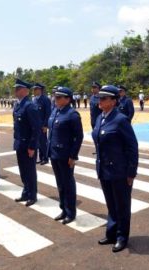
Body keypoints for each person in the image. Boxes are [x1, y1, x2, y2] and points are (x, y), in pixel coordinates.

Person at [92, 85, 138, 253]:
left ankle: (121, 237)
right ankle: (111, 233)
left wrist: (131, 171)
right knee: (111, 204)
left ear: (113, 101)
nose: (100, 100)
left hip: (119, 171)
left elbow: (132, 147)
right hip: (104, 169)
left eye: (103, 98)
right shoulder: (100, 118)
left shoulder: (120, 119)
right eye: (99, 98)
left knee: (122, 205)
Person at [47, 87, 83, 225]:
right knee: (60, 184)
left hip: (65, 155)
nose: (55, 99)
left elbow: (78, 137)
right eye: (55, 97)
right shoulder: (55, 111)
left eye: (58, 97)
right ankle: (63, 209)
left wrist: (73, 156)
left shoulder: (72, 114)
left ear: (67, 99)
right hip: (54, 154)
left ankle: (71, 212)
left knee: (68, 184)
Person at [13, 79, 40, 207]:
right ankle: (26, 192)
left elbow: (36, 128)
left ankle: (32, 195)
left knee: (30, 171)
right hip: (19, 144)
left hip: (28, 146)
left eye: (18, 89)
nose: (16, 91)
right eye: (16, 89)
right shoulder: (18, 105)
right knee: (23, 171)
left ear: (25, 91)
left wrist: (32, 146)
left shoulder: (30, 106)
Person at [32, 83, 51, 165]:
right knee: (38, 142)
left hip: (42, 125)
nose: (34, 91)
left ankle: (45, 158)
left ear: (40, 90)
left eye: (36, 89)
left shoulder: (45, 99)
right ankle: (40, 157)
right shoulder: (34, 99)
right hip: (36, 125)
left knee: (43, 142)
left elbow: (48, 113)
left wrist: (46, 125)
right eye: (34, 89)